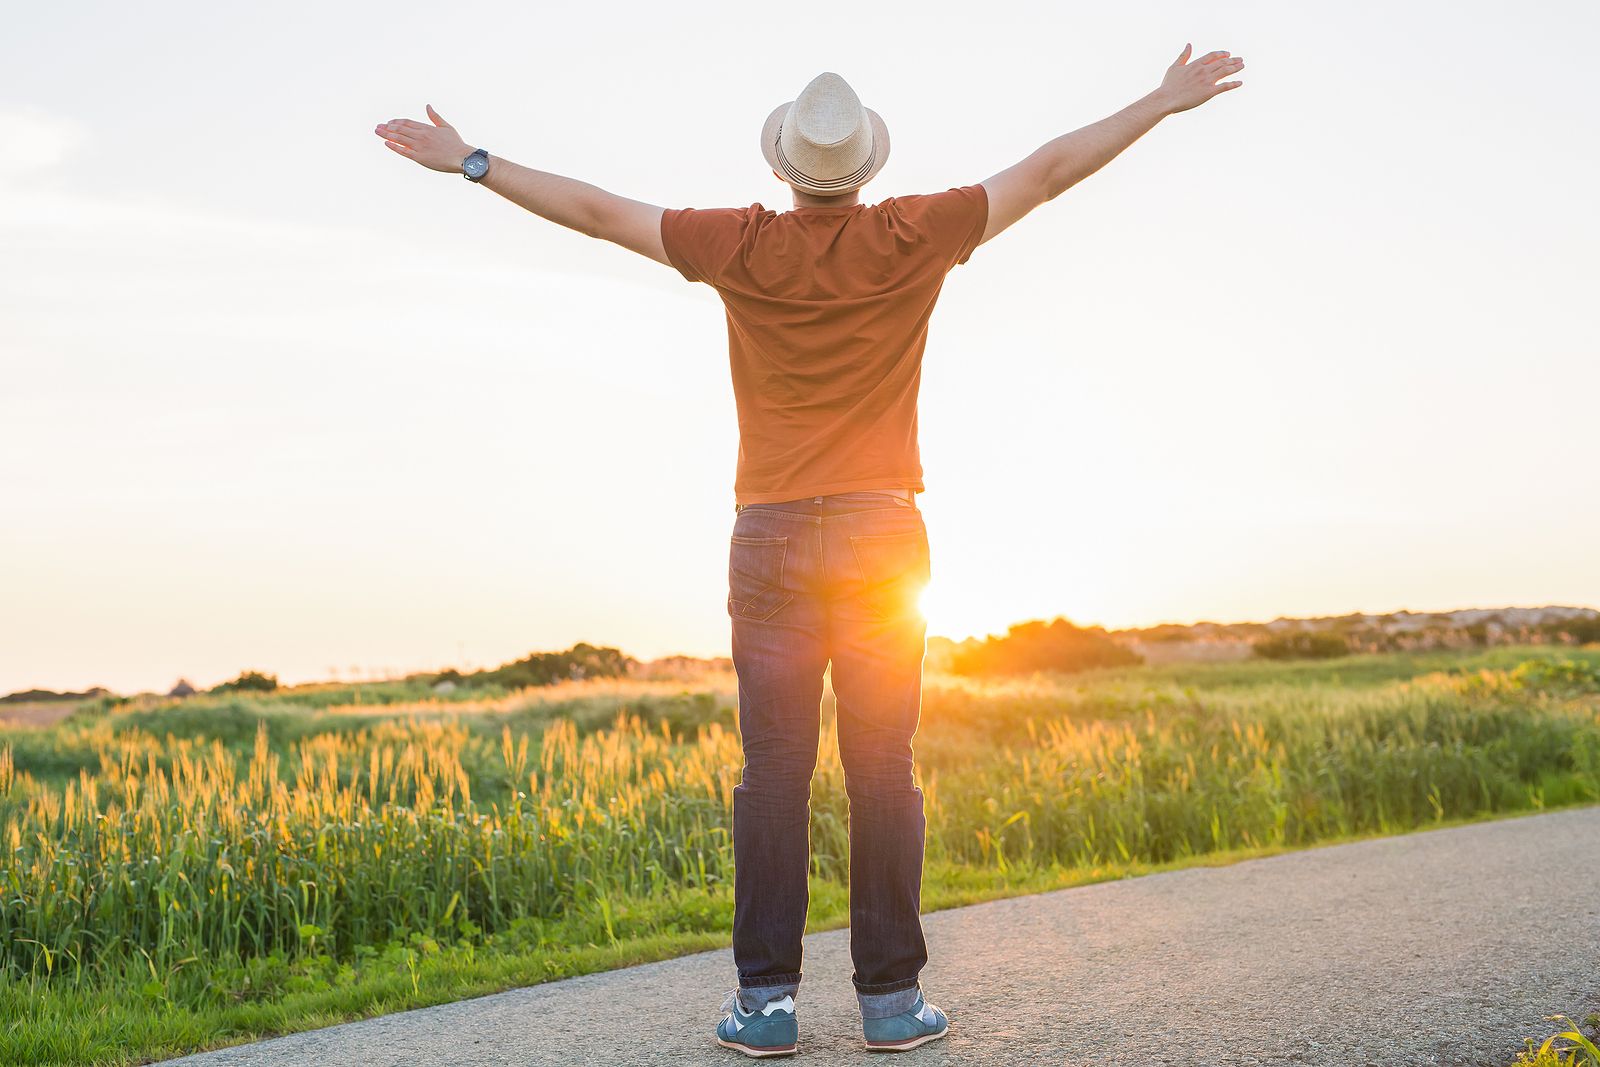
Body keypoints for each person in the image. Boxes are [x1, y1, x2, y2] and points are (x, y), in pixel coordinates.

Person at [373, 43, 1244, 1057]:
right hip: (883, 532)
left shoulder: (738, 243)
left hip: (774, 533)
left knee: (773, 774)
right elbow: (1048, 171)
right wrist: (1159, 101)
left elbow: (601, 212)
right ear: (864, 167)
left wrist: (472, 161)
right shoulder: (918, 230)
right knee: (884, 770)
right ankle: (887, 1000)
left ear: (782, 168)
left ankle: (767, 1003)